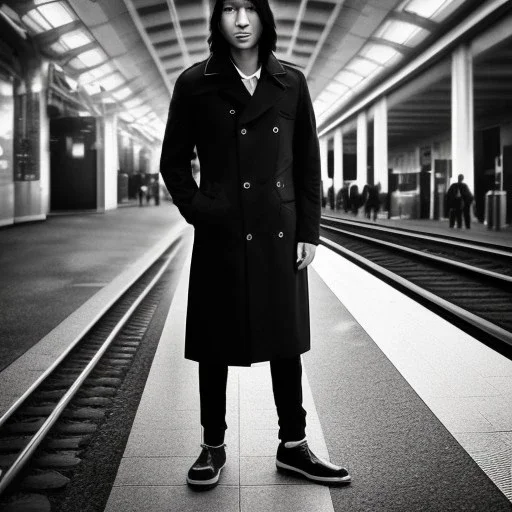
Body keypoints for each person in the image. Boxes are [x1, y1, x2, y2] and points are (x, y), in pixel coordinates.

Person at [160, 0, 351, 491]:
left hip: (280, 233)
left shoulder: (291, 81)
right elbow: (173, 163)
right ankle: (212, 444)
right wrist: (202, 211)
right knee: (214, 343)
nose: (241, 21)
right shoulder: (194, 82)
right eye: (230, 9)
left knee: (285, 340)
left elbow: (308, 162)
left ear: (265, 18)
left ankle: (294, 446)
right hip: (221, 232)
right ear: (216, 20)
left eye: (250, 9)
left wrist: (310, 231)